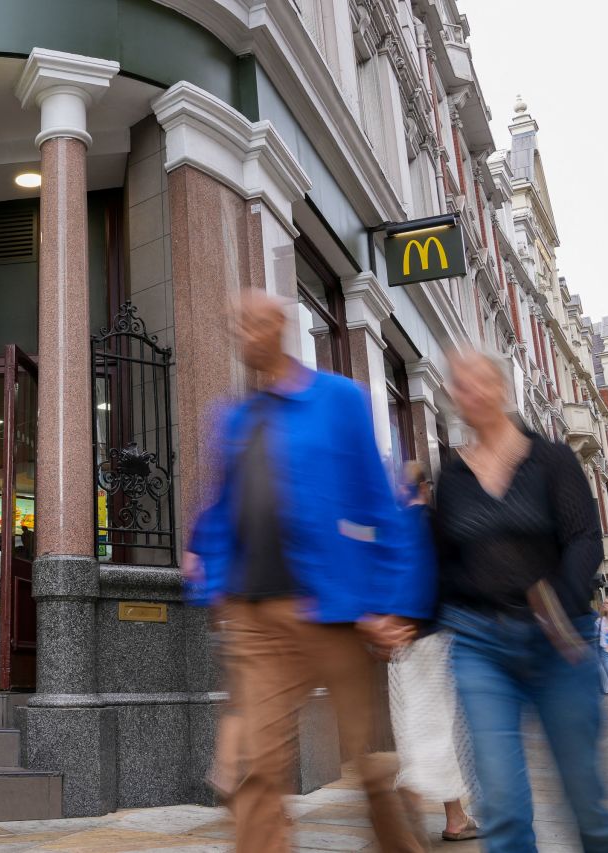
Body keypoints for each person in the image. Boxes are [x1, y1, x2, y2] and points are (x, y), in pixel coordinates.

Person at [185, 290, 434, 853]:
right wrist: (210, 575)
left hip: (333, 612)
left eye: (252, 322)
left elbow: (379, 504)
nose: (242, 332)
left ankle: (401, 840)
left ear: (279, 326)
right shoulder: (234, 419)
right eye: (235, 324)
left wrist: (393, 602)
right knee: (257, 767)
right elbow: (222, 508)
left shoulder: (339, 400)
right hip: (256, 616)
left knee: (368, 759)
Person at [435, 351, 608, 853]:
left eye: (479, 380)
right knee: (501, 805)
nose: (469, 391)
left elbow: (585, 538)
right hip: (480, 644)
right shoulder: (452, 478)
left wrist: (560, 601)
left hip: (560, 640)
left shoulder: (553, 460)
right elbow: (444, 561)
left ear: (501, 388)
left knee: (586, 798)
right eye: (460, 384)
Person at [389, 462, 478, 843]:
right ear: (425, 487)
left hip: (401, 642)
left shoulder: (392, 526)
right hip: (433, 638)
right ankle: (448, 818)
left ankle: (455, 815)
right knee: (440, 730)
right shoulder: (432, 524)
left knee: (418, 729)